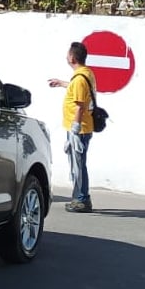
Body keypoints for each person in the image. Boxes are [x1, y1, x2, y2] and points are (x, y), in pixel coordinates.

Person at [48, 41, 96, 213]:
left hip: (79, 129)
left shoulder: (79, 80)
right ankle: (81, 197)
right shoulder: (85, 74)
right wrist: (62, 83)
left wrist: (75, 127)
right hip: (84, 127)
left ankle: (82, 199)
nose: (66, 56)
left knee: (78, 165)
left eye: (68, 54)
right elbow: (78, 90)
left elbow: (79, 105)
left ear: (72, 58)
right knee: (79, 164)